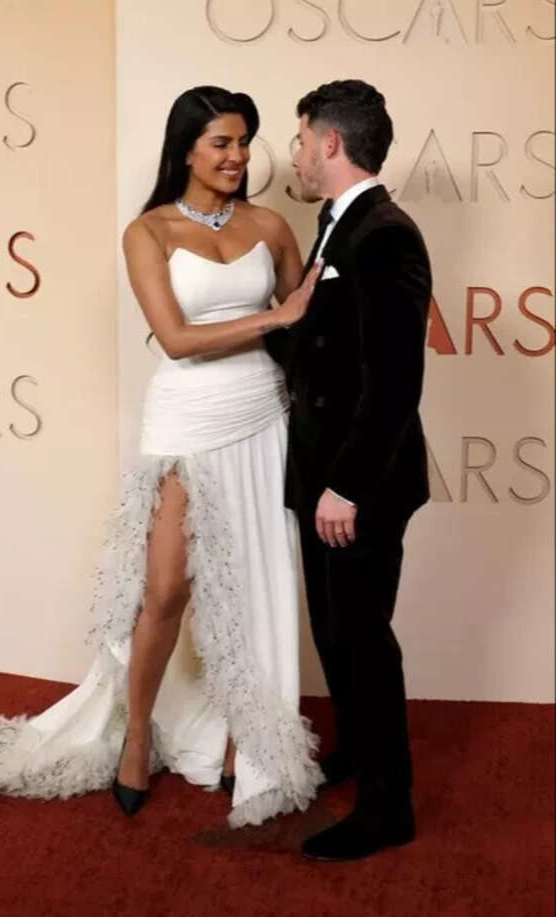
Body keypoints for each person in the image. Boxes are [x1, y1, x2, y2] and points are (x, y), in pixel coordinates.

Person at [0, 86, 324, 829]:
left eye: (244, 142)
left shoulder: (271, 225)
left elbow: (306, 326)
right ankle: (136, 735)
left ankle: (245, 736)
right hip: (188, 417)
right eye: (221, 142)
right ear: (186, 149)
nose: (236, 156)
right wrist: (274, 318)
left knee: (252, 583)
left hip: (261, 415)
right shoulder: (149, 231)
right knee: (165, 588)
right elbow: (177, 339)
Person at [267, 79, 432, 860]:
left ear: (330, 142)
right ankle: (360, 751)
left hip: (357, 484)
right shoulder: (336, 224)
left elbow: (395, 380)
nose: (295, 155)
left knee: (363, 637)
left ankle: (387, 806)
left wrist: (348, 486)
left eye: (301, 140)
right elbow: (320, 347)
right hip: (322, 474)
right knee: (334, 629)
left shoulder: (385, 234)